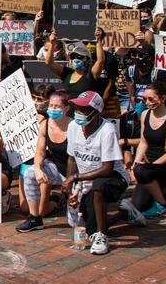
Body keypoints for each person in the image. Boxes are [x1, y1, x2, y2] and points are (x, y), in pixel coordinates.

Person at [61, 91, 145, 256]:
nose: (78, 112)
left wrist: (75, 177)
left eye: (83, 109)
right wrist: (73, 188)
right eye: (77, 108)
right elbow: (71, 159)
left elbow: (107, 169)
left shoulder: (107, 130)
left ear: (96, 112)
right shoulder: (72, 127)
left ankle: (102, 236)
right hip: (86, 179)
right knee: (89, 226)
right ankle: (125, 213)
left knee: (99, 186)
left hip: (114, 178)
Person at [129, 82, 166, 218]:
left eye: (151, 99)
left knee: (143, 171)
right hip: (148, 169)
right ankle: (161, 193)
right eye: (144, 99)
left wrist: (150, 167)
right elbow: (143, 142)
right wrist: (135, 164)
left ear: (162, 98)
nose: (147, 103)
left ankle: (162, 205)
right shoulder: (145, 114)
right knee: (138, 205)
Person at [18, 90, 71, 232]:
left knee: (77, 221)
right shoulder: (45, 125)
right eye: (51, 106)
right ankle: (35, 219)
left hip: (77, 172)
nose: (53, 109)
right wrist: (37, 169)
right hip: (57, 169)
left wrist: (72, 180)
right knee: (29, 173)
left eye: (57, 106)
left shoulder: (74, 127)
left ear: (66, 109)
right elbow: (40, 152)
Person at [43, 28, 108, 99]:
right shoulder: (67, 73)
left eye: (79, 56)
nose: (75, 59)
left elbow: (100, 61)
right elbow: (49, 62)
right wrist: (52, 43)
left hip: (85, 109)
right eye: (73, 56)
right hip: (68, 109)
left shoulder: (91, 74)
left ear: (87, 60)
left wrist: (98, 40)